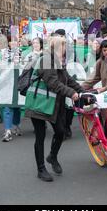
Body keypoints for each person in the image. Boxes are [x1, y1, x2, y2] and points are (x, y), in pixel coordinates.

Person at [25, 35, 84, 182]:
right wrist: (72, 94)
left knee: (60, 132)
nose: (66, 49)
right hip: (39, 102)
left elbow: (68, 80)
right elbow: (53, 83)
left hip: (52, 103)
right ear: (56, 47)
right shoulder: (45, 59)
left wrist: (83, 91)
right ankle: (41, 169)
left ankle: (52, 156)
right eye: (64, 46)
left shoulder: (57, 60)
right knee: (40, 136)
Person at [0, 35, 23, 142]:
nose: (13, 43)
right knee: (7, 106)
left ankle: (16, 125)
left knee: (17, 107)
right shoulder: (3, 53)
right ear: (8, 43)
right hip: (7, 83)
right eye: (11, 41)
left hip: (18, 83)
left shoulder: (23, 53)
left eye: (15, 41)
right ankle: (7, 130)